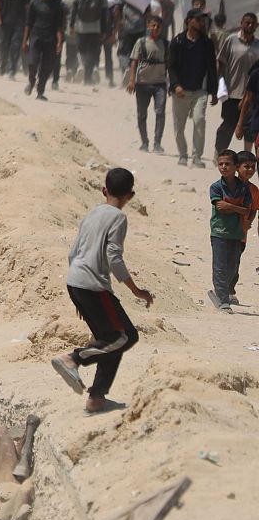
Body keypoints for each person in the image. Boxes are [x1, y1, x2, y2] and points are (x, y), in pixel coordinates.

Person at [51, 168, 153, 414]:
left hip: (76, 282)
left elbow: (73, 251)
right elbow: (114, 257)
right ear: (131, 195)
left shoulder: (93, 213)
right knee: (126, 337)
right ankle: (73, 359)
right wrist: (136, 290)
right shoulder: (118, 218)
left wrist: (79, 294)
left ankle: (96, 398)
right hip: (93, 285)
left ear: (104, 190)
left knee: (109, 340)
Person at [167, 12, 219, 168]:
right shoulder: (178, 41)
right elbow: (171, 66)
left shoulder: (206, 43)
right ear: (189, 21)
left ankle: (197, 157)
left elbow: (212, 67)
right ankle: (183, 155)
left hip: (200, 90)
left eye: (202, 20)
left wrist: (214, 91)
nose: (201, 22)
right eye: (198, 19)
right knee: (179, 126)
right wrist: (175, 85)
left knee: (199, 120)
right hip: (180, 91)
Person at [207, 149, 251, 312]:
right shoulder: (216, 187)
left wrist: (230, 206)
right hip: (219, 232)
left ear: (236, 166)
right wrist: (237, 208)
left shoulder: (244, 188)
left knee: (232, 268)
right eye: (220, 164)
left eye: (227, 164)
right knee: (220, 267)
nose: (223, 167)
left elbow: (247, 210)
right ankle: (223, 300)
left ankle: (219, 292)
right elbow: (220, 208)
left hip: (237, 233)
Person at [214, 12, 259, 154]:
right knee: (229, 125)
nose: (250, 25)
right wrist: (219, 85)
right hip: (232, 92)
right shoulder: (231, 40)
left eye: (253, 23)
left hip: (252, 95)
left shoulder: (258, 45)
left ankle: (247, 157)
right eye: (247, 22)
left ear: (257, 26)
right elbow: (221, 63)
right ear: (241, 23)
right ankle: (220, 153)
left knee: (250, 127)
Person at [127, 16, 169, 153]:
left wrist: (172, 83)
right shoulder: (141, 42)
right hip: (142, 83)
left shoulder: (165, 44)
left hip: (160, 84)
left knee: (160, 112)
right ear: (148, 26)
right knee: (142, 114)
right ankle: (144, 142)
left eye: (158, 26)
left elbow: (170, 63)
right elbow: (134, 61)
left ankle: (157, 143)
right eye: (153, 26)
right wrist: (131, 80)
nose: (155, 28)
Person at [23, 0, 66, 101]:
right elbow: (28, 23)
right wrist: (25, 41)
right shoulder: (34, 3)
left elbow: (59, 26)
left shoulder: (57, 5)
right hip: (36, 37)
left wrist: (59, 42)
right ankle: (31, 81)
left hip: (50, 39)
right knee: (32, 63)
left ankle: (40, 92)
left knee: (47, 67)